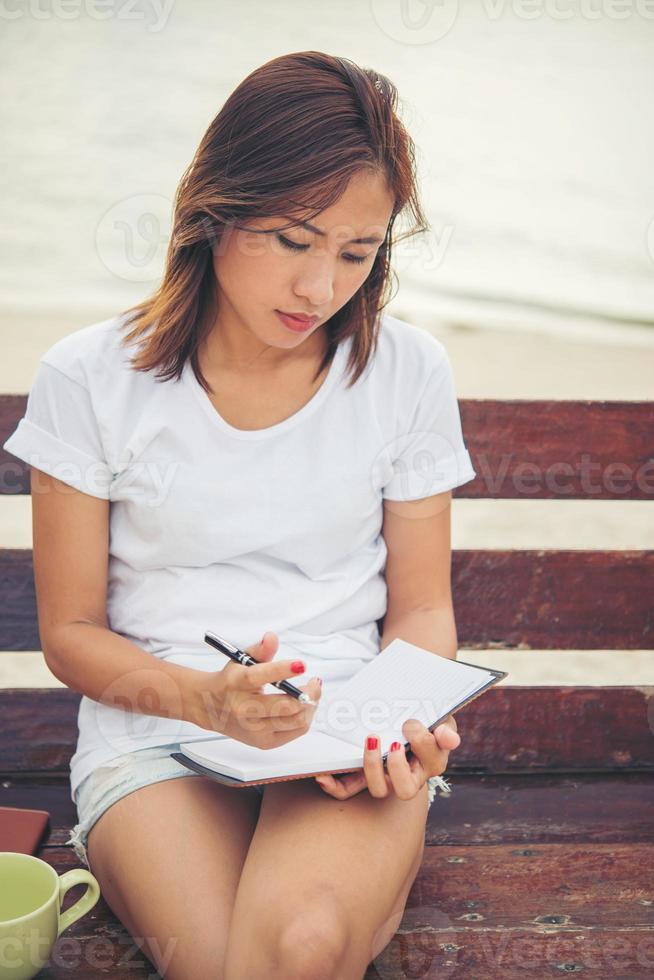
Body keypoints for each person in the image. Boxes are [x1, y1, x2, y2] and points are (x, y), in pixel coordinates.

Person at [4, 51, 475, 980]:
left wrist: (396, 727)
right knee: (228, 960)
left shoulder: (407, 373)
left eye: (357, 251)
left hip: (346, 735)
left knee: (298, 948)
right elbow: (71, 633)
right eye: (295, 240)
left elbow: (421, 611)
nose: (319, 290)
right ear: (215, 211)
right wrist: (206, 702)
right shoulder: (90, 379)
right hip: (156, 731)